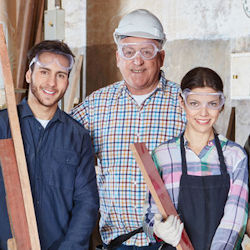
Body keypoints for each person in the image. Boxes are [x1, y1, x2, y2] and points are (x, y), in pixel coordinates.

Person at [71, 9, 186, 248]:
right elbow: (60, 142)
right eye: (129, 52)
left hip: (171, 242)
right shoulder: (96, 105)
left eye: (147, 52)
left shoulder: (184, 103)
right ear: (117, 57)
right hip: (116, 242)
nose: (137, 61)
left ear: (161, 58)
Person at [0, 40, 99, 250]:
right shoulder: (2, 125)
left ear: (67, 81)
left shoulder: (77, 136)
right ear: (29, 75)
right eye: (44, 72)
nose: (52, 83)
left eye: (60, 75)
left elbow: (86, 203)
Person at [143, 67, 248, 249]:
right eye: (194, 103)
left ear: (221, 105)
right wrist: (158, 229)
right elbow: (150, 215)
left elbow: (235, 218)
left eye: (212, 104)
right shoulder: (162, 155)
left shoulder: (235, 156)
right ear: (182, 103)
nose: (203, 113)